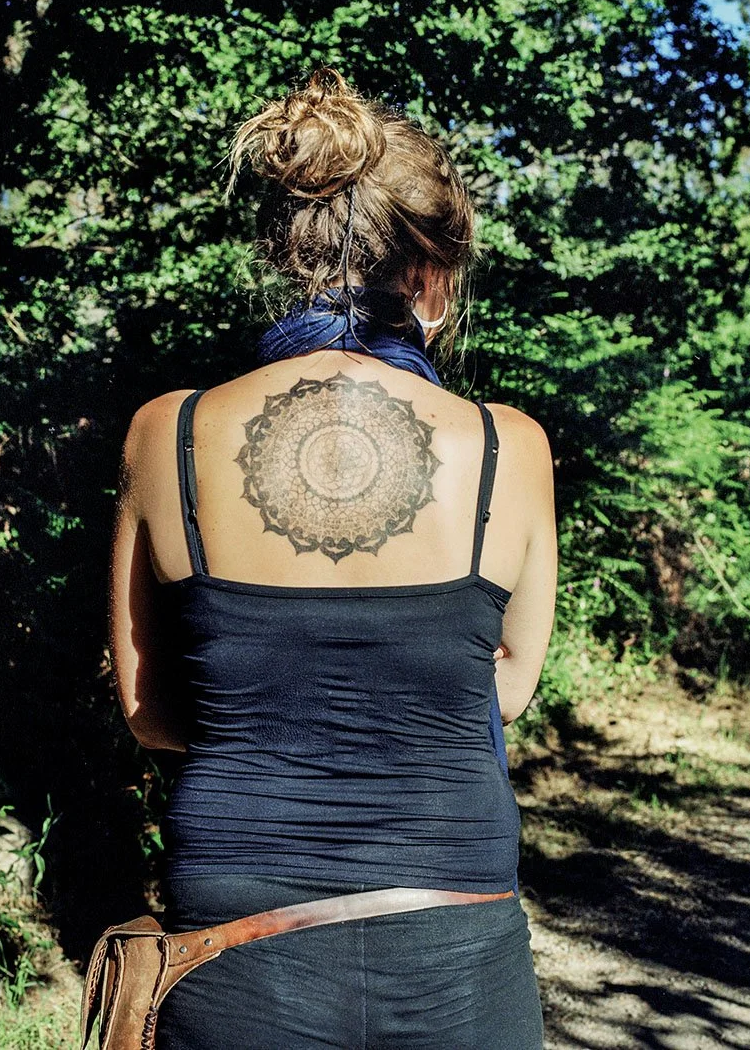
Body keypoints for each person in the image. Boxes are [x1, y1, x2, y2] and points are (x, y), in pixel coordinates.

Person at [109, 68, 557, 1049]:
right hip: (458, 936)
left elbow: (148, 712)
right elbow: (509, 685)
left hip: (234, 940)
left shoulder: (168, 435)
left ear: (283, 251)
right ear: (429, 275)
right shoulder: (506, 447)